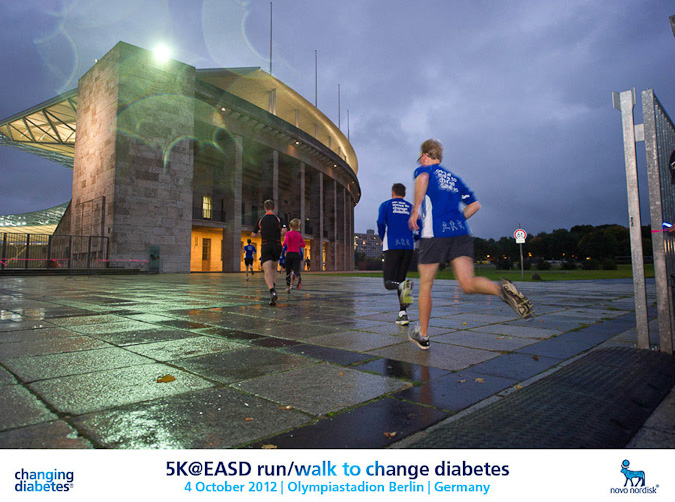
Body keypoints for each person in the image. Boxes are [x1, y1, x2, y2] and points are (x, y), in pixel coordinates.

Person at [407, 138, 534, 350]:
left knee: (426, 285)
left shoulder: (425, 171)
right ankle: (501, 290)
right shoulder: (454, 179)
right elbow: (475, 205)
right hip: (460, 233)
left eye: (421, 157)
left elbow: (423, 179)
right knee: (467, 283)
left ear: (426, 155)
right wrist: (456, 220)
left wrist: (415, 210)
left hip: (434, 233)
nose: (420, 161)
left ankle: (424, 335)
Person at [377, 183, 417, 325]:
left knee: (389, 282)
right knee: (401, 280)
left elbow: (380, 222)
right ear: (404, 194)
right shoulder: (411, 208)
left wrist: (383, 237)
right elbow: (419, 225)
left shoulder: (386, 205)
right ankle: (403, 314)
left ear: (393, 193)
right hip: (408, 246)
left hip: (392, 245)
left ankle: (403, 288)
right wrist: (414, 238)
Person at [251, 199, 286, 306]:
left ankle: (272, 291)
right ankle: (273, 289)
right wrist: (278, 234)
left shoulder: (261, 219)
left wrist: (260, 233)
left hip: (266, 245)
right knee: (274, 268)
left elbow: (253, 234)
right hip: (277, 245)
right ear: (274, 208)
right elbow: (284, 230)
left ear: (265, 208)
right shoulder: (279, 218)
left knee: (267, 271)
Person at [283, 218, 306, 292]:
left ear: (290, 226)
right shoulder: (299, 235)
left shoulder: (288, 233)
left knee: (288, 271)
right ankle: (298, 276)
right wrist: (297, 244)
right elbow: (303, 244)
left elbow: (285, 242)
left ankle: (288, 287)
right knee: (295, 269)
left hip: (289, 253)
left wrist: (282, 245)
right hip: (297, 254)